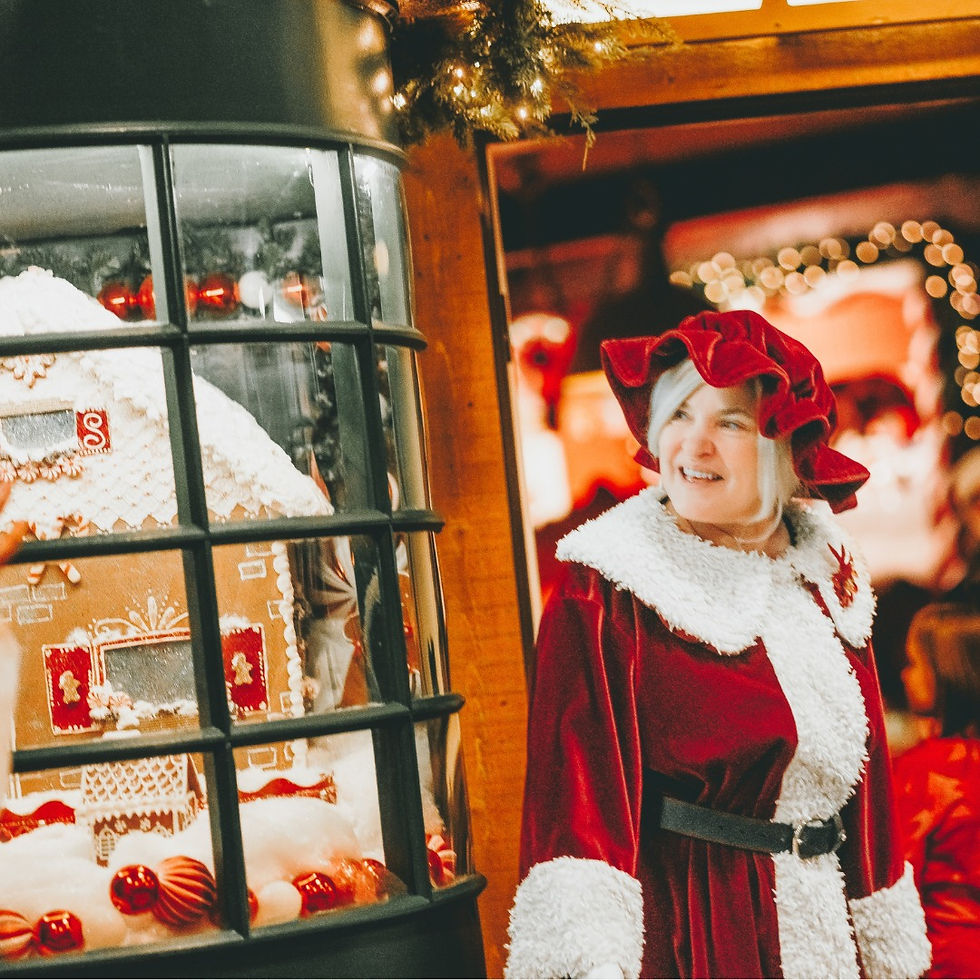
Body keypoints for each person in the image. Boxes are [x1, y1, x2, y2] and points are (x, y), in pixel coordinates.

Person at [504, 309, 931, 980]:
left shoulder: (829, 578)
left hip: (827, 941)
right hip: (696, 936)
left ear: (785, 446)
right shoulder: (608, 590)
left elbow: (871, 808)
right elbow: (576, 826)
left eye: (728, 423)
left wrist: (891, 959)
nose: (692, 447)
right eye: (678, 416)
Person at [892, 602, 980, 978]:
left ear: (946, 674)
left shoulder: (927, 773)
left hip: (941, 957)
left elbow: (894, 873)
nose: (904, 673)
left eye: (915, 662)